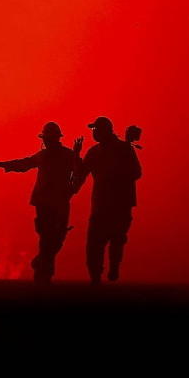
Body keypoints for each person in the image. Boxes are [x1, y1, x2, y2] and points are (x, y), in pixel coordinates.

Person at [0, 122, 82, 283]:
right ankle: (43, 276)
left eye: (50, 139)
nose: (48, 142)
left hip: (59, 202)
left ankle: (40, 264)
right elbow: (23, 164)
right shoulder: (45, 156)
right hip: (45, 203)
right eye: (47, 139)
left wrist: (76, 157)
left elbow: (79, 173)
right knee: (47, 238)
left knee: (57, 239)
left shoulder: (67, 156)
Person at [71, 116, 142, 284]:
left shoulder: (124, 149)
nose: (94, 133)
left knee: (116, 240)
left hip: (120, 205)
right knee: (95, 243)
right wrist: (76, 155)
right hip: (100, 206)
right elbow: (81, 175)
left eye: (97, 129)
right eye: (94, 130)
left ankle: (113, 267)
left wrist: (116, 176)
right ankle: (96, 276)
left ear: (107, 131)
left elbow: (137, 172)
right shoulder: (93, 152)